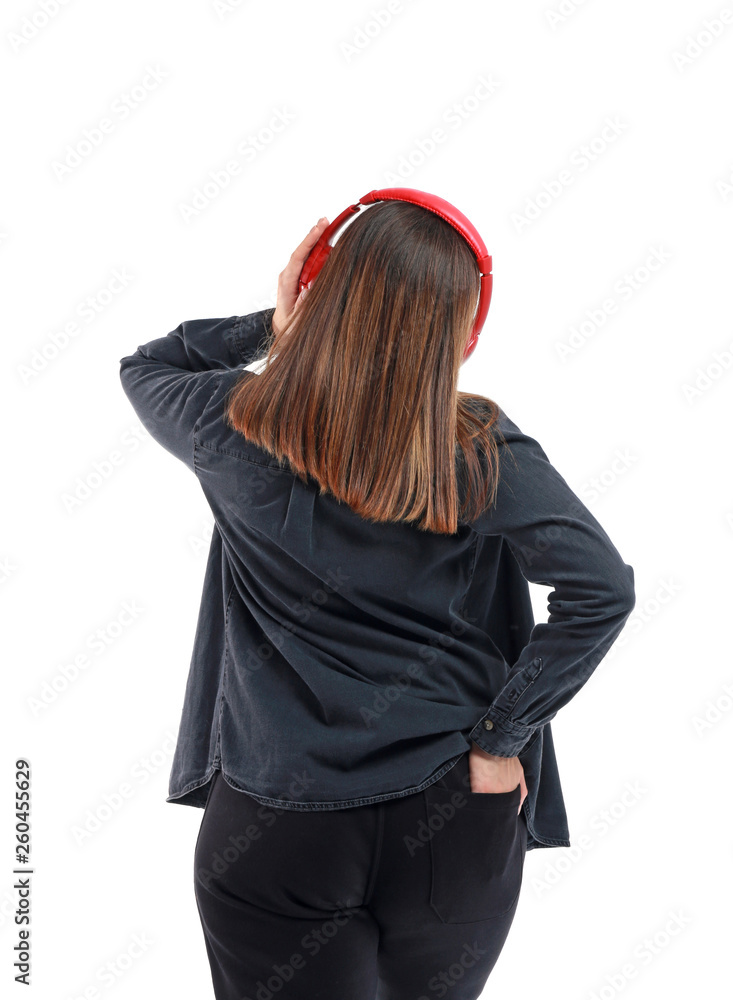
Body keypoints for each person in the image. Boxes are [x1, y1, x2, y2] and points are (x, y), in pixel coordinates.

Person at [118, 200, 635, 999]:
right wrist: (501, 742)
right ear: (462, 330)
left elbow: (149, 365)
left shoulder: (230, 425)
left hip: (273, 824)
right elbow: (601, 588)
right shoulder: (474, 448)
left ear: (319, 293)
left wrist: (276, 323)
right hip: (450, 814)